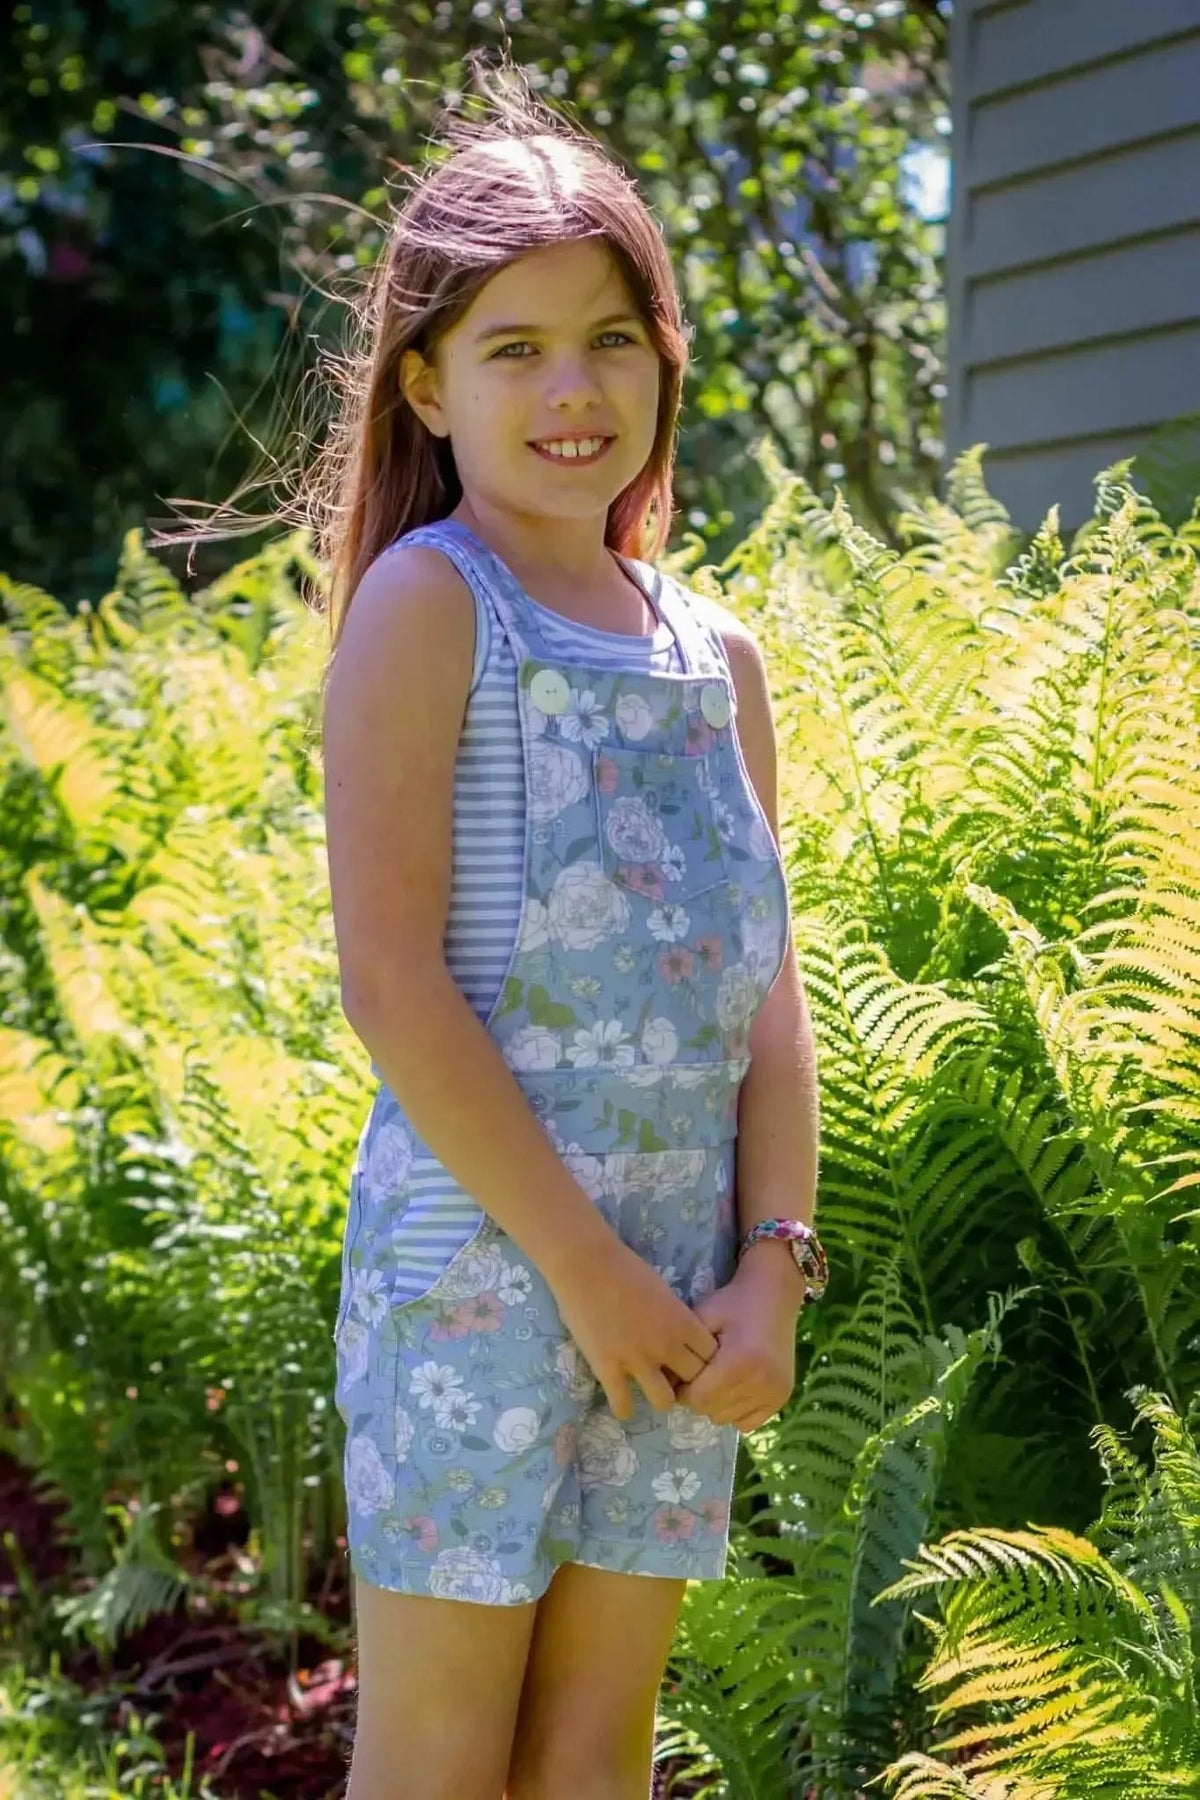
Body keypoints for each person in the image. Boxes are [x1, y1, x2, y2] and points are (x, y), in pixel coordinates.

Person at [318, 60, 825, 1800]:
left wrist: (773, 1265)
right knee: (448, 1756)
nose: (570, 389)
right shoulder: (429, 604)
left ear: (665, 360)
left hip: (681, 1298)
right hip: (482, 1272)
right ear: (426, 382)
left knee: (594, 1754)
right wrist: (581, 1267)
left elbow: (769, 1000)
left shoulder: (719, 659)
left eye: (610, 338)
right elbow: (388, 978)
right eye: (512, 348)